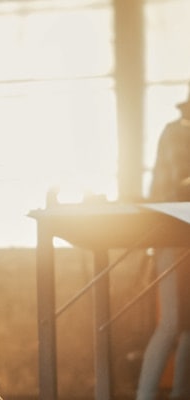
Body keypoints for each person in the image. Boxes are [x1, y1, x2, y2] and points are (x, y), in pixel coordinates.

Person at [137, 83, 190, 400]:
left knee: (188, 327)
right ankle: (144, 396)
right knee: (171, 322)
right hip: (170, 231)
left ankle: (181, 395)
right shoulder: (179, 131)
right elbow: (184, 180)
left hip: (183, 233)